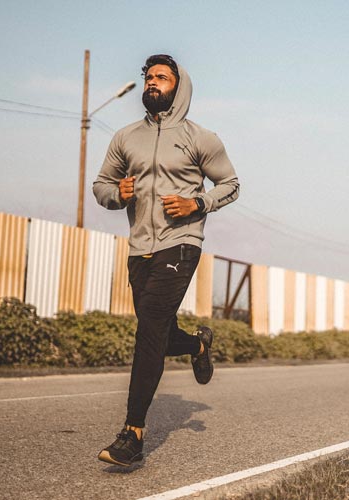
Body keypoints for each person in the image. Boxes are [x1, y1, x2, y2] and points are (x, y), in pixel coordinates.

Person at [92, 54, 240, 467]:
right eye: (149, 77)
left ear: (179, 86)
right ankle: (196, 343)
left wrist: (197, 202)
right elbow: (101, 185)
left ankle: (132, 434)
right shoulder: (125, 137)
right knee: (155, 329)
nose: (153, 82)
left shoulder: (200, 138)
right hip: (141, 248)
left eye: (162, 77)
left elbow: (230, 184)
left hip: (182, 242)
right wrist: (116, 193)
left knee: (150, 329)